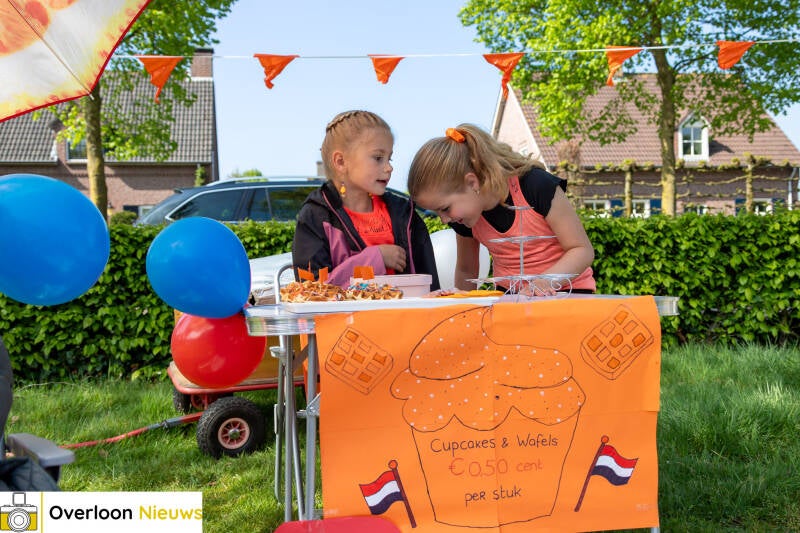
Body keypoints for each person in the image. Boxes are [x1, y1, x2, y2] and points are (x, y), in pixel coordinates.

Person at [407, 124, 595, 296]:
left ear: (472, 182)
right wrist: (459, 302)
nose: (444, 220)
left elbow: (581, 250)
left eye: (445, 209)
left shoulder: (536, 185)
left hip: (568, 294)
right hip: (511, 299)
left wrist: (543, 283)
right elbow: (466, 270)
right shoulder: (465, 218)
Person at [292, 110, 441, 290]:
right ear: (340, 162)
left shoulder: (404, 213)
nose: (389, 167)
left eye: (390, 158)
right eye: (378, 158)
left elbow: (430, 287)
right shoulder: (315, 217)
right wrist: (375, 259)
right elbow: (311, 291)